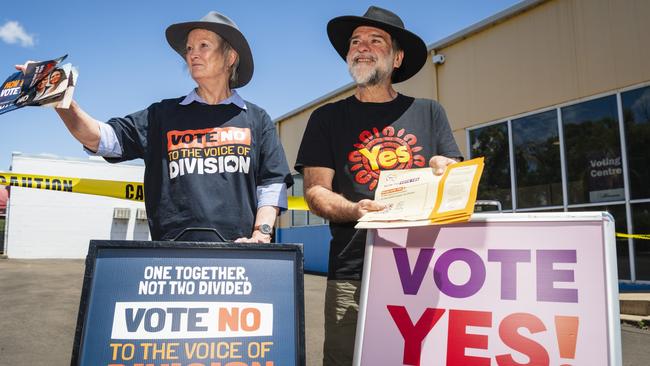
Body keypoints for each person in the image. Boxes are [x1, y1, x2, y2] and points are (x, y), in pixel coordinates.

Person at [17, 11, 293, 242]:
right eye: (188, 48)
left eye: (203, 46)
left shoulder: (256, 120)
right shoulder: (161, 115)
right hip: (168, 259)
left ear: (230, 56)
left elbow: (271, 184)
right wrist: (61, 100)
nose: (192, 55)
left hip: (238, 257)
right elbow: (102, 140)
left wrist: (262, 233)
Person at [295, 6, 463, 365]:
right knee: (343, 359)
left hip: (421, 271)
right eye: (356, 41)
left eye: (376, 40)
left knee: (418, 358)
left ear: (398, 57)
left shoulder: (429, 112)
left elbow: (456, 181)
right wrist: (355, 210)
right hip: (352, 272)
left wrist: (444, 170)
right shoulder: (326, 119)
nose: (362, 47)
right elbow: (315, 192)